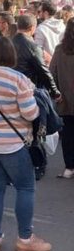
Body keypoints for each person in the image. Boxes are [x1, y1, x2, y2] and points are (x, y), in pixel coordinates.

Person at [0, 37, 51, 251]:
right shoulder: (19, 80)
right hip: (13, 144)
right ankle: (25, 238)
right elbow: (30, 113)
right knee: (25, 187)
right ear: (12, 56)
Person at [12, 13, 61, 99]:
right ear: (32, 28)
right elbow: (44, 71)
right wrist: (55, 92)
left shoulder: (7, 43)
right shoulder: (33, 47)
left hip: (9, 87)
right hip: (29, 90)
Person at [50, 18, 74, 178]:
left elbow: (52, 74)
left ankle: (69, 167)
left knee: (68, 135)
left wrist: (56, 93)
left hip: (65, 100)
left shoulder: (60, 50)